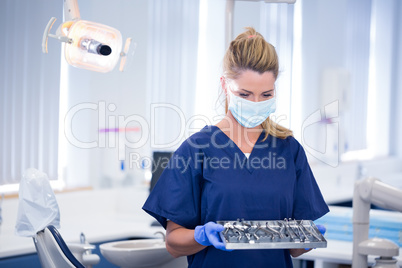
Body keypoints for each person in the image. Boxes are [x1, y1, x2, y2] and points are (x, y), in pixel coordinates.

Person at [142, 27, 329, 268]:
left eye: (266, 94)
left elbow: (294, 250)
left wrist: (307, 238)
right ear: (224, 85)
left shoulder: (289, 151)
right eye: (245, 94)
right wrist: (201, 236)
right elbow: (174, 243)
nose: (255, 103)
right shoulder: (197, 150)